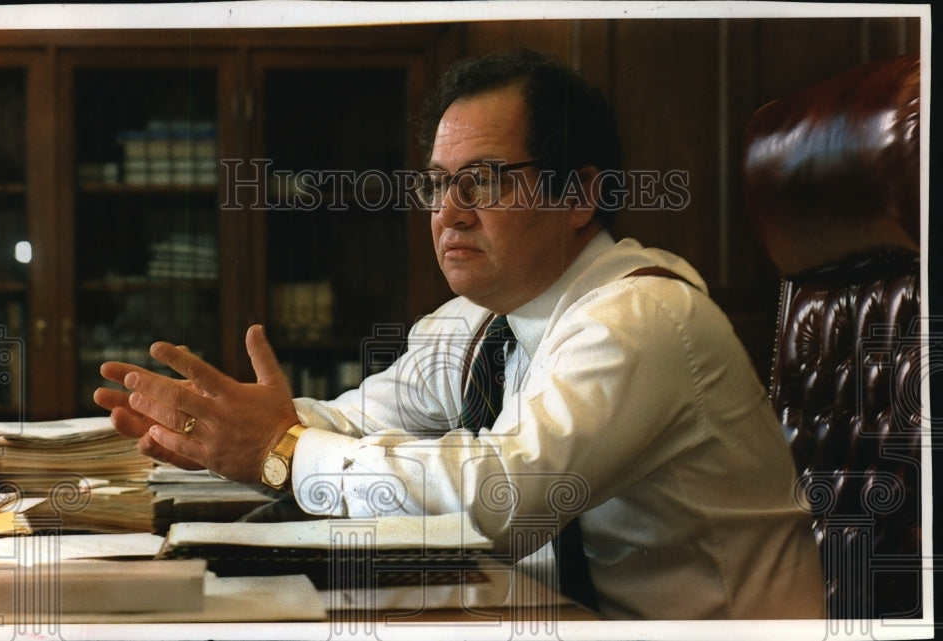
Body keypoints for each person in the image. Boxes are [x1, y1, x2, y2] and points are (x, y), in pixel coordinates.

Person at [95, 49, 825, 619]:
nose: (450, 210)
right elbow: (353, 420)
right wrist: (215, 429)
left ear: (581, 194)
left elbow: (501, 499)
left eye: (485, 178)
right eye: (439, 182)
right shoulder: (475, 324)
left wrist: (281, 450)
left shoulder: (644, 320)